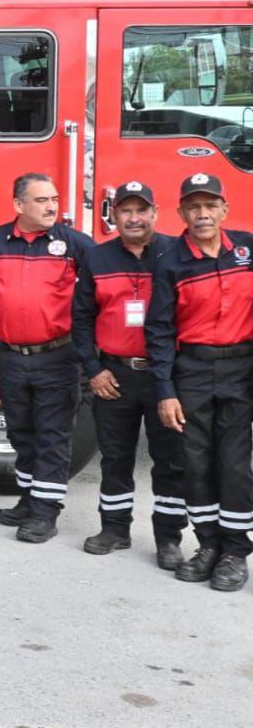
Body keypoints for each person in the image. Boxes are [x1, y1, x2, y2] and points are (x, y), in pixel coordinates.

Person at [148, 173, 253, 591]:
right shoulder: (171, 262)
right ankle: (208, 544)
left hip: (242, 369)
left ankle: (234, 551)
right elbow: (157, 331)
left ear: (225, 210)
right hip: (191, 370)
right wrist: (165, 391)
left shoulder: (247, 249)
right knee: (195, 464)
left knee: (233, 464)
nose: (203, 214)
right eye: (194, 206)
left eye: (211, 206)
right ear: (181, 214)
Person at [72, 180, 184, 568]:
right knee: (115, 457)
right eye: (125, 211)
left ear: (155, 213)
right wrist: (94, 370)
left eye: (141, 210)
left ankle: (169, 538)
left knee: (170, 459)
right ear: (113, 216)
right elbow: (81, 320)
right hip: (115, 376)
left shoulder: (177, 253)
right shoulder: (97, 258)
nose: (133, 218)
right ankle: (115, 529)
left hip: (163, 378)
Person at [0, 172, 92, 544]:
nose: (52, 206)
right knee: (21, 434)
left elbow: (94, 301)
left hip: (56, 356)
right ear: (18, 205)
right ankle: (28, 500)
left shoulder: (76, 244)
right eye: (42, 200)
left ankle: (45, 513)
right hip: (10, 357)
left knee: (52, 437)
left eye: (54, 199)